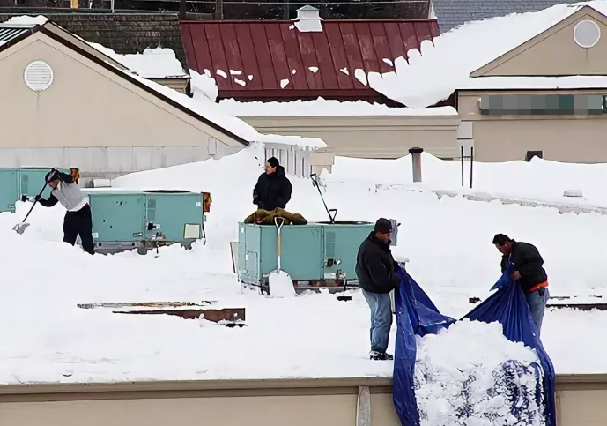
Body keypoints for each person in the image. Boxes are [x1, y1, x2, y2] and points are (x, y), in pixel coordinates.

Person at [356, 218, 401, 361]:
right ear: (378, 233)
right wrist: (396, 279)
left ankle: (376, 348)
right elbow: (380, 278)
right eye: (387, 235)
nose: (389, 237)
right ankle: (377, 351)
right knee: (383, 319)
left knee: (377, 318)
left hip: (371, 287)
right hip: (375, 289)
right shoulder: (372, 250)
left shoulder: (378, 244)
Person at [492, 234, 550, 335]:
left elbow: (537, 262)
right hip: (523, 294)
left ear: (506, 244)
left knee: (532, 325)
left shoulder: (523, 248)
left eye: (499, 247)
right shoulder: (506, 259)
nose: (499, 250)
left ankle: (534, 348)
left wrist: (521, 272)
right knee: (523, 323)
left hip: (536, 291)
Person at [36, 169, 95, 255]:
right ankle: (67, 258)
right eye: (48, 184)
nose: (49, 185)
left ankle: (90, 257)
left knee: (86, 240)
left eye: (50, 183)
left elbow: (69, 178)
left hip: (83, 212)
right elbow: (51, 203)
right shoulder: (54, 192)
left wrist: (59, 173)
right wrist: (40, 200)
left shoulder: (67, 182)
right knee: (68, 241)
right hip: (71, 214)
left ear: (55, 180)